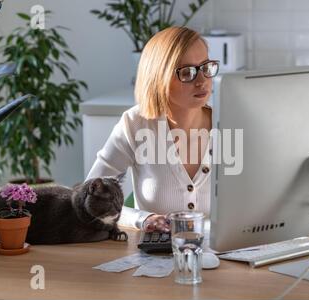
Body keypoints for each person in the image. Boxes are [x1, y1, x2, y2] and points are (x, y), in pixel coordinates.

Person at [85, 26, 219, 233]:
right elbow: (90, 199)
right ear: (159, 78)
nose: (202, 81)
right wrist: (143, 219)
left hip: (226, 255)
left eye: (205, 67)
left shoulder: (232, 121)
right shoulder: (134, 124)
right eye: (187, 72)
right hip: (155, 258)